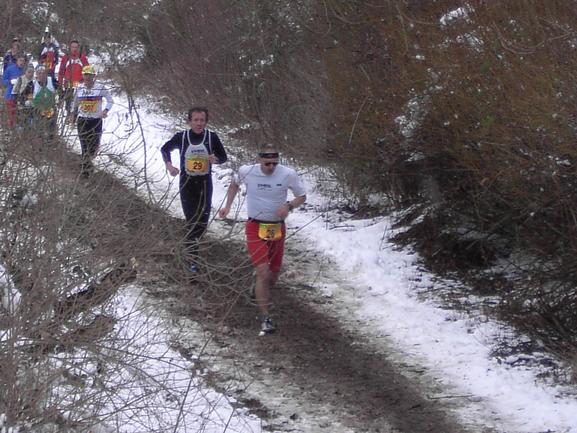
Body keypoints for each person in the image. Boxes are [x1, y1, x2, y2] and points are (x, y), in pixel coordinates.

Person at [218, 145, 306, 334]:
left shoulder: (287, 174)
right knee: (263, 272)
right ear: (259, 160)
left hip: (276, 228)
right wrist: (227, 206)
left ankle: (257, 288)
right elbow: (234, 184)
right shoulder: (247, 171)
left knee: (272, 275)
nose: (271, 167)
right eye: (267, 163)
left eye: (274, 163)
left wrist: (289, 206)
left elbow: (301, 196)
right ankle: (265, 318)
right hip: (255, 227)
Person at [160, 107, 228, 273]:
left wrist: (215, 159)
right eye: (196, 120)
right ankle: (192, 260)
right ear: (189, 121)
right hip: (187, 184)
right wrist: (169, 166)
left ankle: (190, 248)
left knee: (202, 223)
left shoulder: (211, 137)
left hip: (204, 184)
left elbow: (223, 157)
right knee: (192, 222)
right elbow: (165, 149)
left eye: (202, 120)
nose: (199, 123)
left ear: (206, 122)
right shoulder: (182, 137)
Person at [70, 65, 113, 176]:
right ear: (83, 76)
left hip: (96, 121)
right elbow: (74, 104)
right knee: (85, 146)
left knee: (93, 148)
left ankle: (86, 165)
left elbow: (110, 100)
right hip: (82, 121)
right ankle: (85, 171)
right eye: (85, 75)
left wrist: (105, 110)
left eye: (90, 75)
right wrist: (72, 117)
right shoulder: (79, 88)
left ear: (94, 76)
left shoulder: (100, 87)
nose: (87, 77)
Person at [25, 65, 58, 143]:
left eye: (43, 73)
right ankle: (40, 146)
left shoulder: (52, 81)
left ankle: (50, 144)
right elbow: (26, 96)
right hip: (38, 111)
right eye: (39, 73)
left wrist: (58, 97)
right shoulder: (32, 84)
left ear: (46, 73)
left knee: (50, 131)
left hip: (51, 110)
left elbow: (60, 90)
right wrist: (29, 101)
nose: (41, 75)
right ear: (36, 74)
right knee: (39, 132)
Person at [58, 40, 89, 113]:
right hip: (68, 87)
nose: (74, 49)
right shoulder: (66, 58)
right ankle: (69, 117)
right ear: (70, 48)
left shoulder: (82, 58)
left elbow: (88, 71)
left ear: (78, 48)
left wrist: (87, 83)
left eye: (76, 47)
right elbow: (61, 72)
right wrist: (60, 85)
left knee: (79, 107)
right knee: (69, 107)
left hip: (80, 87)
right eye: (73, 47)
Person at [2, 54, 26, 128]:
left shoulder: (25, 70)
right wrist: (10, 81)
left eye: (23, 61)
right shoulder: (10, 69)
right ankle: (10, 129)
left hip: (21, 96)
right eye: (20, 60)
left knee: (19, 115)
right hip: (10, 95)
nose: (21, 62)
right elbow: (3, 81)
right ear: (17, 61)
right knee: (11, 115)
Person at [12, 64, 35, 129]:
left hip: (32, 107)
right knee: (21, 124)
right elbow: (14, 93)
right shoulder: (20, 79)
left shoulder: (35, 81)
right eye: (29, 72)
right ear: (25, 72)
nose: (31, 74)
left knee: (31, 124)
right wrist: (20, 101)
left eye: (32, 72)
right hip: (21, 106)